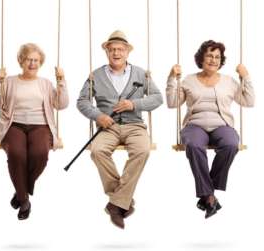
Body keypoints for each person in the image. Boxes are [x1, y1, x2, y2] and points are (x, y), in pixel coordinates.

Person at [77, 30, 163, 229]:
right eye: (112, 49)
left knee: (142, 150)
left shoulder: (142, 73)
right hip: (108, 127)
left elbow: (157, 98)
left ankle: (116, 203)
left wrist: (134, 104)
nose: (116, 53)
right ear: (107, 52)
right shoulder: (95, 75)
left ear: (127, 52)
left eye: (120, 49)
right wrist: (98, 116)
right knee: (97, 151)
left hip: (135, 126)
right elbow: (82, 101)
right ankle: (122, 200)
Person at [166, 40, 255, 218]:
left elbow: (249, 101)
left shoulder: (229, 81)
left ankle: (207, 192)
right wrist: (171, 78)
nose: (213, 60)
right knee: (194, 145)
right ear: (201, 58)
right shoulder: (189, 80)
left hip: (221, 124)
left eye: (217, 57)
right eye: (209, 55)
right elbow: (172, 103)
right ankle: (209, 196)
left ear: (221, 61)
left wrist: (246, 77)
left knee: (231, 144)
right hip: (195, 125)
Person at [0, 43, 68, 220]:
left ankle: (20, 191)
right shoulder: (9, 81)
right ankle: (24, 200)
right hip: (14, 124)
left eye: (36, 60)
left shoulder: (45, 83)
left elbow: (61, 105)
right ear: (21, 61)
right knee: (17, 154)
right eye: (28, 60)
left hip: (40, 125)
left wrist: (61, 81)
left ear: (40, 63)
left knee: (39, 153)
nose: (32, 63)